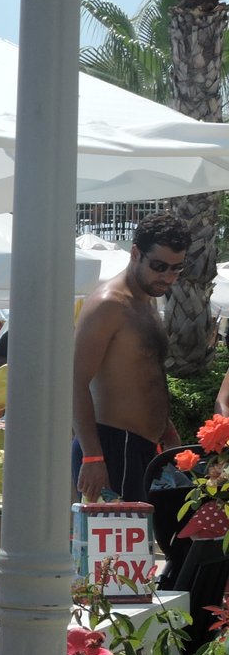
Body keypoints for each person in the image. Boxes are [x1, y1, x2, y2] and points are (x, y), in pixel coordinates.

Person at [73, 210, 188, 503]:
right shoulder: (109, 304)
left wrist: (168, 432)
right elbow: (75, 380)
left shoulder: (146, 302)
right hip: (112, 446)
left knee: (139, 547)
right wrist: (92, 456)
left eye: (177, 268)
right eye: (159, 266)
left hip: (140, 448)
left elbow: (143, 375)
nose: (168, 277)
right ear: (136, 253)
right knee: (116, 550)